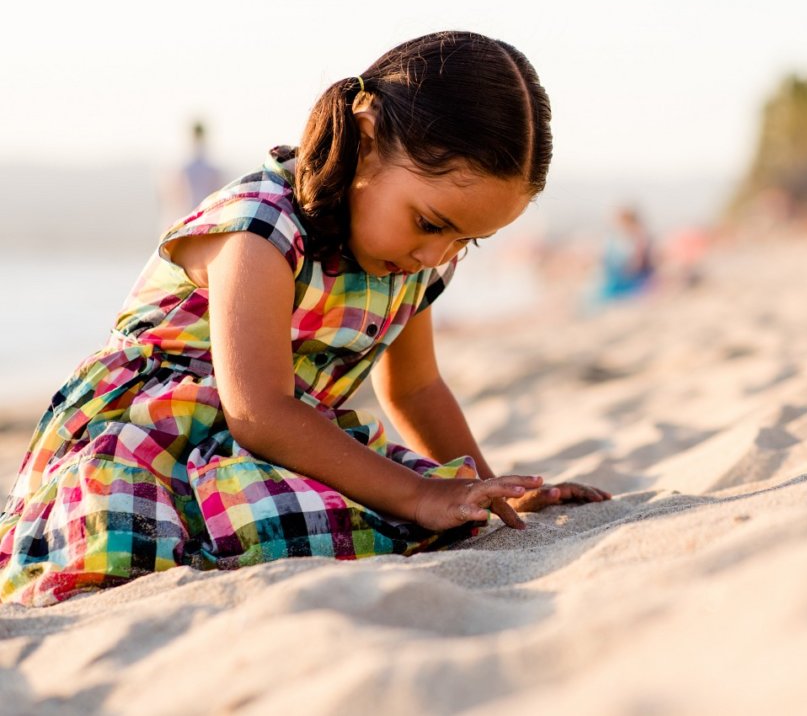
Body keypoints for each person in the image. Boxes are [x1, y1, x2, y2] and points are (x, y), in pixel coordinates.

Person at [0, 32, 610, 607]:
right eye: (431, 223)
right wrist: (422, 493)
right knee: (247, 520)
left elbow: (417, 389)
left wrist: (492, 487)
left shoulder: (414, 263)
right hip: (150, 438)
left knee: (391, 511)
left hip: (274, 440)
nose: (437, 256)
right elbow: (258, 411)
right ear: (367, 138)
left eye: (467, 242)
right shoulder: (262, 228)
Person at [593, 205, 656, 304]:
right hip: (618, 278)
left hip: (634, 280)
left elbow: (638, 264)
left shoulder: (640, 238)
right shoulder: (615, 239)